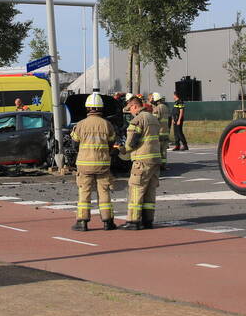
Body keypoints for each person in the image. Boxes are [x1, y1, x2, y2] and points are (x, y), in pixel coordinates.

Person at [70, 92, 118, 231]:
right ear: (101, 108)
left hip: (84, 165)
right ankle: (108, 222)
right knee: (104, 192)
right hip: (103, 164)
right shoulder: (107, 125)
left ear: (87, 108)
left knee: (84, 192)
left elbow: (74, 145)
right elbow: (111, 143)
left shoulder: (80, 125)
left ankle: (82, 222)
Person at [117, 95, 162, 230]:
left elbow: (131, 143)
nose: (130, 112)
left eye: (130, 109)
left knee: (136, 189)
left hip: (142, 160)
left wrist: (121, 149)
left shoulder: (137, 120)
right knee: (150, 191)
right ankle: (148, 220)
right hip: (155, 160)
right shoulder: (153, 118)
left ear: (134, 106)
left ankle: (133, 221)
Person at [150, 92, 171, 170]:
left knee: (158, 150)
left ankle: (158, 165)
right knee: (164, 150)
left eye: (153, 99)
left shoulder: (158, 108)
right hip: (165, 132)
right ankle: (163, 165)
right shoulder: (165, 107)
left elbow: (154, 119)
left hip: (159, 132)